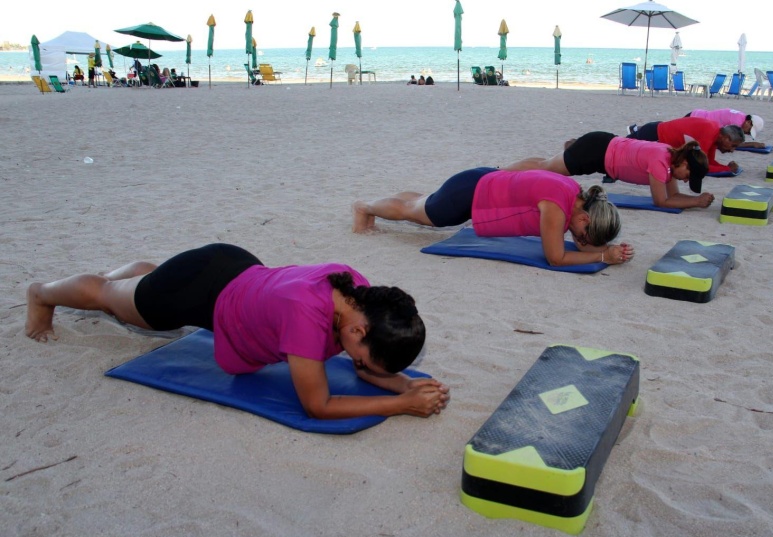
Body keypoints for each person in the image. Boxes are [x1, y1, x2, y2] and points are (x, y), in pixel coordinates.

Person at [25, 243, 450, 420]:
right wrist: (400, 405)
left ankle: (144, 275)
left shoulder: (358, 293)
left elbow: (364, 366)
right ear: (358, 328)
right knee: (107, 296)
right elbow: (317, 405)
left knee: (138, 287)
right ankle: (42, 296)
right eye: (359, 356)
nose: (356, 365)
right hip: (197, 290)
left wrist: (403, 385)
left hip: (232, 269)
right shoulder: (306, 315)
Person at [353, 168, 633, 267]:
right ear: (584, 219)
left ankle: (398, 200)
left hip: (478, 184)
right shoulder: (557, 207)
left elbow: (584, 246)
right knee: (414, 214)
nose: (578, 241)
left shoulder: (573, 193)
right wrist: (602, 257)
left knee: (420, 206)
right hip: (470, 193)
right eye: (581, 236)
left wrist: (609, 250)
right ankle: (365, 208)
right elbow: (556, 258)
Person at [505, 132, 714, 209]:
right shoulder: (661, 162)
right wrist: (696, 201)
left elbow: (674, 195)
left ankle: (504, 170)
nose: (687, 181)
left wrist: (694, 201)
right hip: (596, 152)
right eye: (688, 176)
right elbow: (661, 201)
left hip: (602, 144)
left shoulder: (670, 159)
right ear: (684, 163)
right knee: (547, 168)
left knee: (547, 164)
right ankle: (502, 173)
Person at [625, 117, 744, 174]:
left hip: (656, 132)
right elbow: (700, 166)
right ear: (726, 138)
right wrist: (727, 169)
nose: (732, 150)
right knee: (620, 147)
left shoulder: (715, 134)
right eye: (732, 145)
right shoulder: (710, 133)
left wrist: (725, 167)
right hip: (655, 135)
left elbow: (708, 161)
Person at [685, 109, 765, 149]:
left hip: (696, 115)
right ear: (748, 122)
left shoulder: (741, 116)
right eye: (749, 131)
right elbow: (731, 143)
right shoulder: (736, 123)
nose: (747, 133)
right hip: (695, 121)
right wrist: (753, 144)